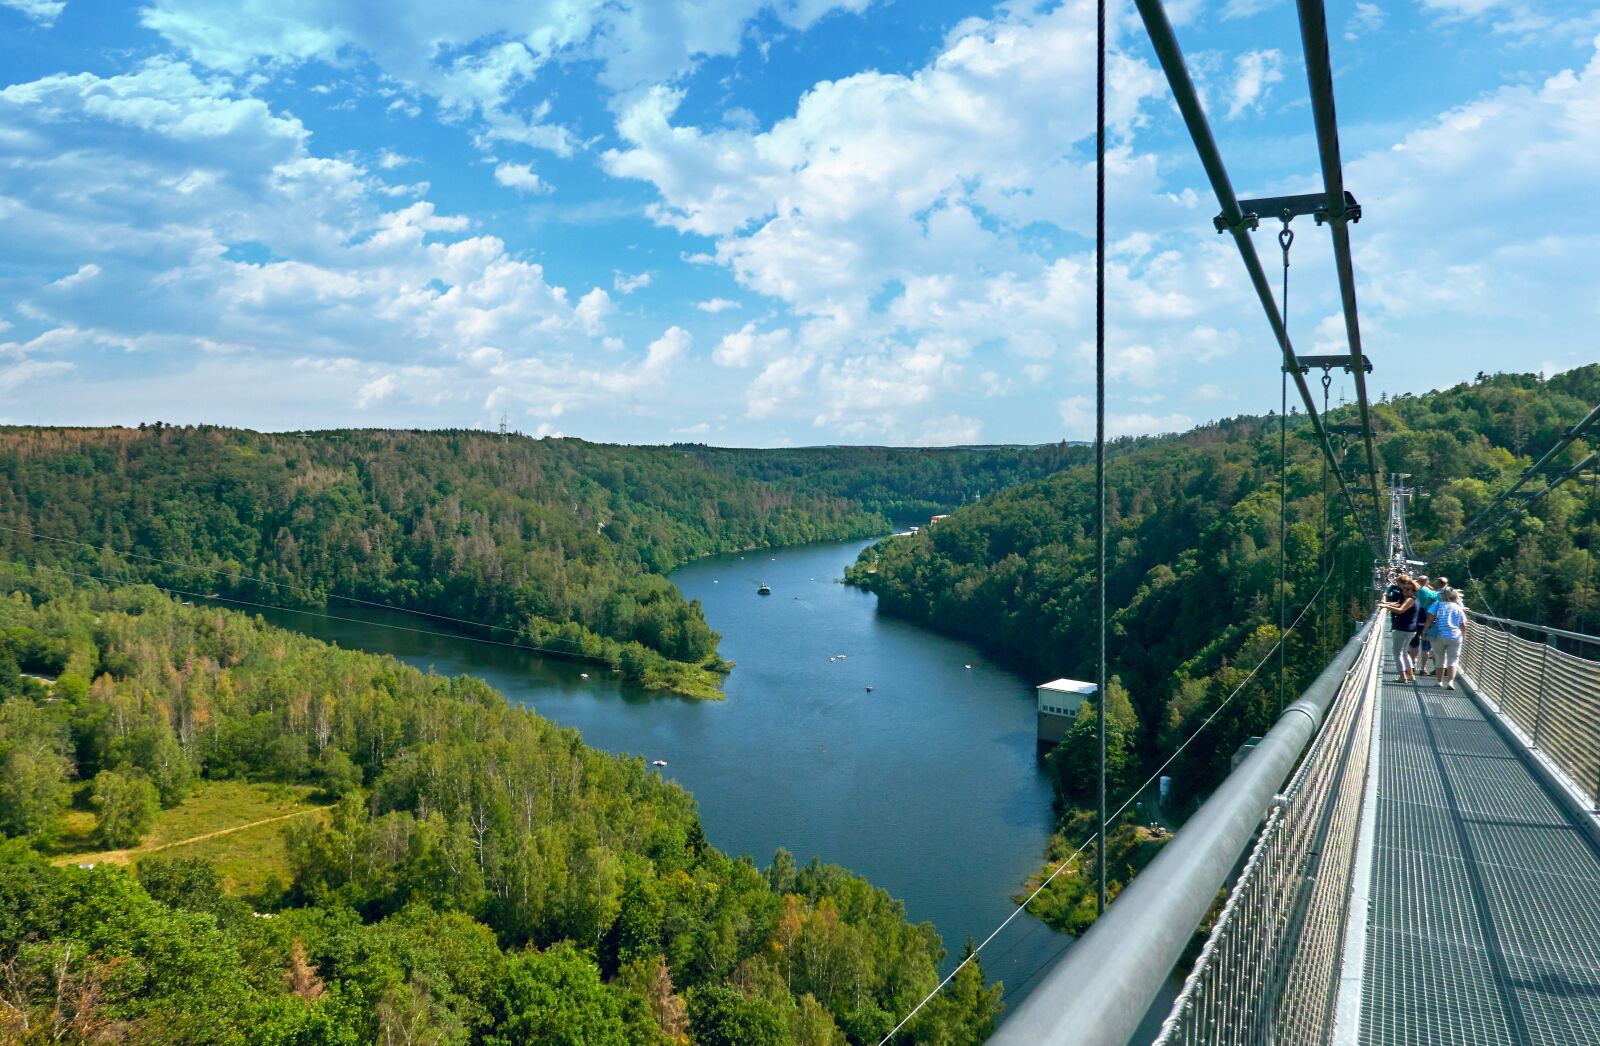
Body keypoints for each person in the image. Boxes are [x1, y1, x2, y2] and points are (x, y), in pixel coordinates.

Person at [1378, 575, 1420, 682]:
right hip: (1410, 630)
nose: (1404, 590)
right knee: (1404, 652)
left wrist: (1386, 606)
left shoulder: (1410, 599)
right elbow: (1398, 604)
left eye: (1407, 589)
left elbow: (1400, 609)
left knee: (1397, 653)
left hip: (1403, 629)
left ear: (1413, 591)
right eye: (1404, 588)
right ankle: (1410, 675)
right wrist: (1386, 603)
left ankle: (1402, 676)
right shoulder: (1410, 598)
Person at [1428, 587, 1468, 688]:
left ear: (1445, 595)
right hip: (1455, 636)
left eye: (1441, 594)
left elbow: (1430, 619)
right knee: (1453, 660)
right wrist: (1463, 635)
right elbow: (1463, 624)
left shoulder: (1436, 604)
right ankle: (1450, 682)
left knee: (1439, 658)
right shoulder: (1458, 607)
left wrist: (1424, 631)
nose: (1440, 595)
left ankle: (1439, 681)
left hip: (1439, 636)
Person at [1413, 575, 1440, 673]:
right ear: (1427, 582)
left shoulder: (1413, 591)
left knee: (1413, 644)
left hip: (1414, 620)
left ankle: (1413, 665)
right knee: (1426, 647)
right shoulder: (1431, 593)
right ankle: (1423, 668)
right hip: (1427, 621)